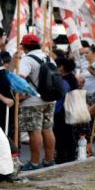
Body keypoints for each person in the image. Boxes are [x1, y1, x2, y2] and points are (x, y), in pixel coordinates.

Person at [18, 34, 58, 170]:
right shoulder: (49, 57)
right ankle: (49, 160)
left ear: (23, 46)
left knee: (34, 131)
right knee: (47, 129)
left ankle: (34, 162)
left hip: (32, 101)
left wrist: (23, 96)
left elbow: (20, 79)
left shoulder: (27, 59)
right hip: (49, 99)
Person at [52, 57, 81, 164]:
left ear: (62, 68)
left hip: (63, 112)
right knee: (69, 135)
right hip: (72, 111)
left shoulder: (64, 81)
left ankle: (62, 158)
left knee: (62, 136)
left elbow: (60, 97)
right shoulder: (72, 78)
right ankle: (70, 156)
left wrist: (55, 111)